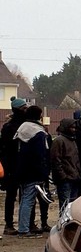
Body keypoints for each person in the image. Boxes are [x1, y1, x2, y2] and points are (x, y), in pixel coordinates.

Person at [14, 105, 50, 237]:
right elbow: (40, 154)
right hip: (34, 171)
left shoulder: (23, 127)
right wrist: (43, 171)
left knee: (25, 199)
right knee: (29, 200)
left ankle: (23, 227)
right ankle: (24, 229)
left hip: (22, 169)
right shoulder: (37, 131)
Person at [1, 97, 28, 234]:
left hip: (20, 163)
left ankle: (25, 223)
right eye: (24, 108)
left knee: (26, 195)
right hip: (12, 165)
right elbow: (5, 147)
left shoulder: (23, 124)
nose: (26, 110)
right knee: (12, 195)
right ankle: (9, 224)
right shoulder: (10, 127)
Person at [50, 118, 81, 210]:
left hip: (75, 177)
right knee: (65, 204)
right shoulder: (59, 141)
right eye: (72, 128)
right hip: (66, 179)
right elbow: (55, 160)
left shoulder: (73, 140)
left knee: (72, 205)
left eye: (75, 128)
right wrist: (63, 176)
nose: (74, 130)